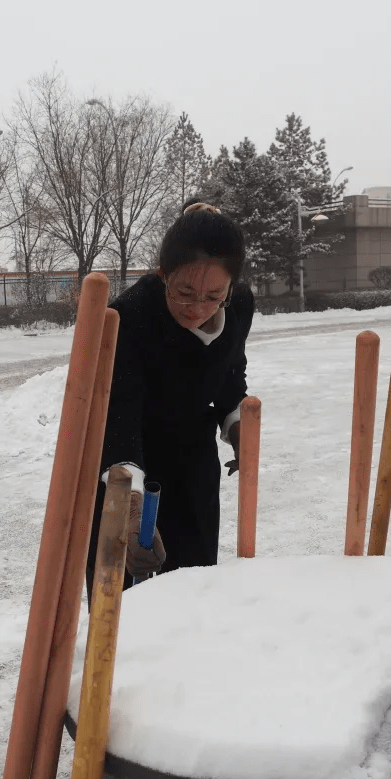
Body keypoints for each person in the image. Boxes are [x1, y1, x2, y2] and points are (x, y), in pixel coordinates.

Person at [86, 201, 252, 598]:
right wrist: (129, 507)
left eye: (214, 296)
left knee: (192, 590)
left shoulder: (241, 305)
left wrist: (238, 424)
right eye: (184, 293)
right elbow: (118, 413)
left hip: (193, 466)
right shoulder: (127, 317)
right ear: (163, 275)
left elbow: (231, 373)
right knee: (120, 601)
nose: (197, 308)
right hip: (123, 466)